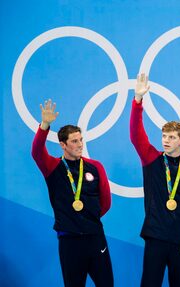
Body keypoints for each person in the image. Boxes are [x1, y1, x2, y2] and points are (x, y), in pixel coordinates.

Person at [130, 73, 180, 287]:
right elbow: (136, 136)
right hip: (155, 237)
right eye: (164, 136)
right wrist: (137, 100)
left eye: (172, 137)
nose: (166, 140)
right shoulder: (152, 159)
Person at [31, 99, 114, 287]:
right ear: (63, 144)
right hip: (69, 241)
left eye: (81, 140)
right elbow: (36, 152)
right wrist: (44, 125)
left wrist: (87, 218)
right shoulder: (53, 167)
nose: (80, 144)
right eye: (74, 141)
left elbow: (106, 202)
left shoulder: (95, 167)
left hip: (95, 237)